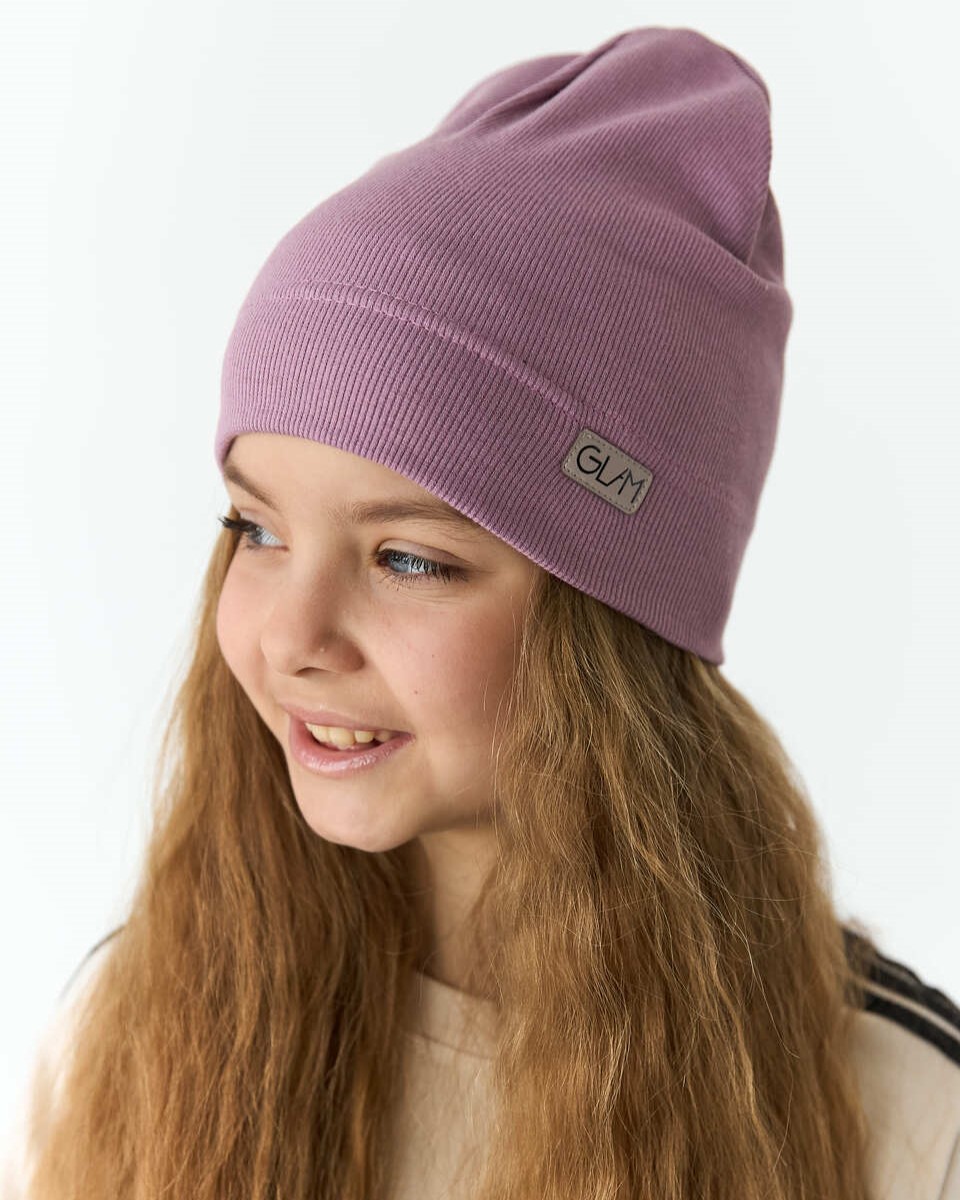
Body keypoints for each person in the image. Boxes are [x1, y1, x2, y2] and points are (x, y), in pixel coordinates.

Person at [4, 24, 959, 1200]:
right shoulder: (137, 1036)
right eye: (256, 528)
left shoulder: (909, 1117)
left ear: (614, 615)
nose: (292, 638)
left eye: (408, 559)